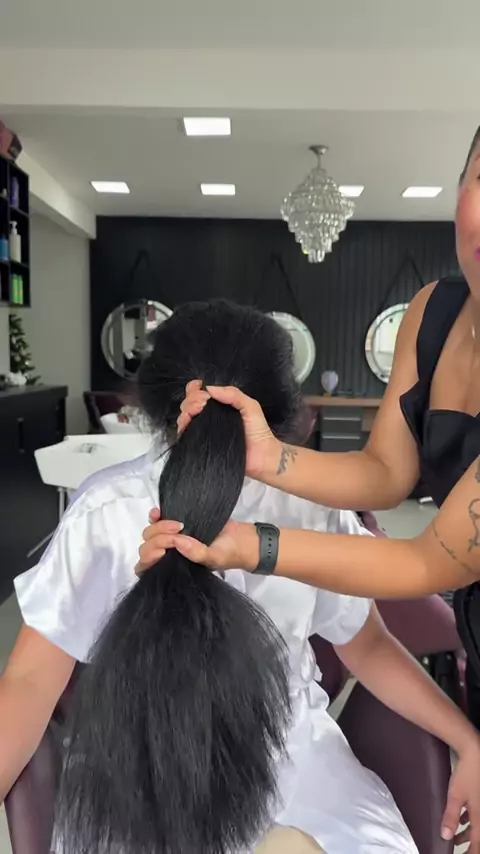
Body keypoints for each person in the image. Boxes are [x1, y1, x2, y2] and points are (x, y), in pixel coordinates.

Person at [1, 300, 478, 853]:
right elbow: (368, 645)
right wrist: (466, 737)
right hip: (159, 762)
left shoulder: (116, 510)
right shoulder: (109, 514)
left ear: (153, 404)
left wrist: (466, 739)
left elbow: (28, 680)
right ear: (284, 410)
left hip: (280, 761)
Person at [146, 126, 480, 737]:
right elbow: (386, 473)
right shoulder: (433, 312)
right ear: (459, 186)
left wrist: (250, 545)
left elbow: (426, 562)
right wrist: (270, 458)